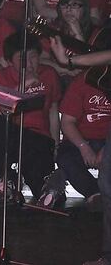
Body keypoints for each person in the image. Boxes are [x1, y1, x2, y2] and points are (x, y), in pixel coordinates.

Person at [51, 37, 111, 265]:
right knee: (107, 185)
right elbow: (106, 55)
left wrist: (68, 61)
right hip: (93, 140)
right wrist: (68, 61)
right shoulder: (87, 80)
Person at [0, 33, 61, 201]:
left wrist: (55, 145)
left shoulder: (49, 74)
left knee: (44, 192)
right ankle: (6, 178)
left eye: (33, 57)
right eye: (22, 59)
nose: (29, 63)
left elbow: (53, 111)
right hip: (13, 136)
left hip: (39, 138)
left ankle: (49, 188)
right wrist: (22, 87)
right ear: (10, 61)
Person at [37, 70, 110, 210]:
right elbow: (67, 122)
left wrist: (107, 149)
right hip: (82, 138)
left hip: (107, 139)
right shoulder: (82, 81)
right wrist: (84, 147)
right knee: (65, 157)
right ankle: (95, 194)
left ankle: (56, 181)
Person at [37, 0, 95, 80]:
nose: (68, 9)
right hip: (59, 77)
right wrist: (63, 69)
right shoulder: (53, 28)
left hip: (86, 79)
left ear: (84, 8)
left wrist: (78, 33)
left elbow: (92, 63)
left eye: (75, 5)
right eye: (64, 5)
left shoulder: (96, 32)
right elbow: (40, 58)